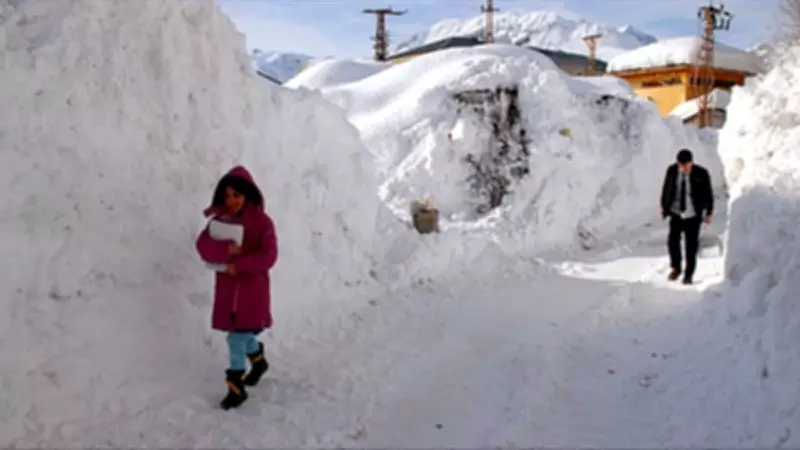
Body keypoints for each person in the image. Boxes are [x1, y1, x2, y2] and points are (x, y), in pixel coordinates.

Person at [195, 166, 278, 410]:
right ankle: (258, 360)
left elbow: (269, 256)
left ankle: (235, 387)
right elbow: (202, 246)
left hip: (252, 292)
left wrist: (240, 265)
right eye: (227, 196)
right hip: (228, 292)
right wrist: (226, 250)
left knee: (236, 338)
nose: (231, 202)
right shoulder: (219, 222)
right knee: (242, 334)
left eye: (237, 196)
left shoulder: (263, 223)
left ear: (248, 195)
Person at [659, 149, 713, 285]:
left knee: (691, 245)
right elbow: (666, 188)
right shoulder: (671, 171)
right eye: (681, 165)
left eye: (687, 165)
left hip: (692, 214)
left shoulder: (701, 173)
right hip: (676, 212)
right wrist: (664, 206)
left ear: (691, 163)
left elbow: (708, 193)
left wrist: (709, 212)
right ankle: (676, 267)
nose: (684, 168)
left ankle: (689, 274)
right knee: (672, 241)